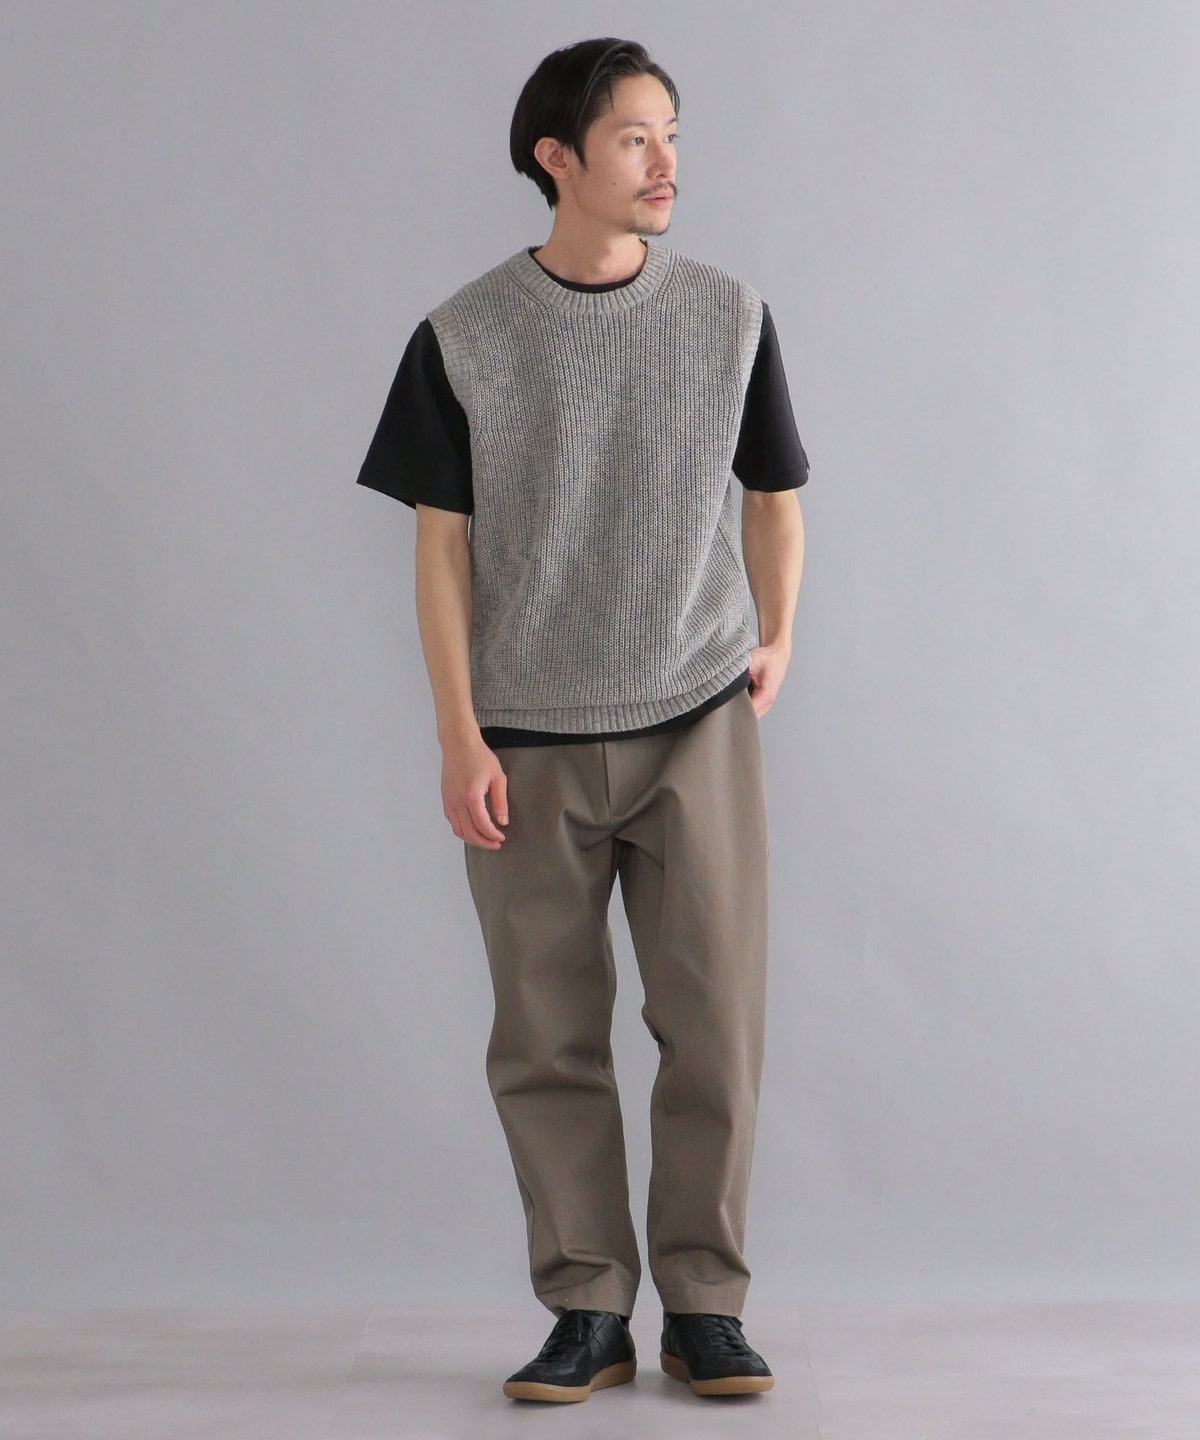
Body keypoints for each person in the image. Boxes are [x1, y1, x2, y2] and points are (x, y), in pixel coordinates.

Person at [355, 36, 808, 1404]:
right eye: (633, 138)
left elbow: (775, 494)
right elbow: (442, 548)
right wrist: (458, 733)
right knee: (545, 1039)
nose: (666, 163)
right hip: (526, 736)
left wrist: (777, 633)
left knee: (714, 1026)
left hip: (696, 718)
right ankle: (589, 1309)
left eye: (672, 134)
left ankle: (706, 1307)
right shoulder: (465, 336)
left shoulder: (728, 316)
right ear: (556, 158)